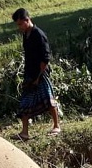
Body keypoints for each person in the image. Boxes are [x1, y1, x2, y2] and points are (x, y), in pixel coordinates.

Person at [11, 8, 61, 141]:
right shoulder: (25, 35)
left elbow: (45, 58)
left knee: (48, 99)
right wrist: (29, 76)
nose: (19, 27)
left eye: (20, 24)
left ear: (27, 20)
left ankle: (56, 126)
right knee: (24, 103)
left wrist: (38, 77)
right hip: (29, 73)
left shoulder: (39, 34)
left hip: (40, 73)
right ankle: (24, 133)